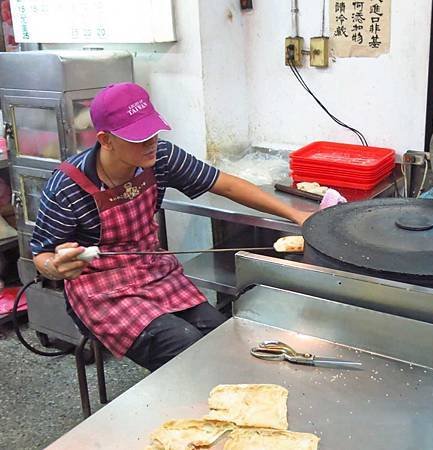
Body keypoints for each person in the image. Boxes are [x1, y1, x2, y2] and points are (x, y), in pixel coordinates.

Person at [30, 82, 311, 371]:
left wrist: (295, 215)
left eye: (152, 131)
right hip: (100, 289)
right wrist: (55, 265)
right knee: (187, 347)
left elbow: (225, 184)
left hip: (152, 269)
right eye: (138, 137)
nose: (151, 142)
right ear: (105, 139)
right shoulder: (67, 186)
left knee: (220, 336)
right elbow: (42, 254)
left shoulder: (161, 157)